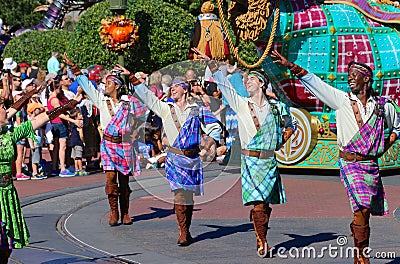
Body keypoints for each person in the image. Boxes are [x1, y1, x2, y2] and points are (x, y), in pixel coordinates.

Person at [271, 50, 400, 264]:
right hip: (350, 164)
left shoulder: (382, 106)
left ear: (366, 79)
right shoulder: (342, 100)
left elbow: (396, 126)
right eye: (348, 75)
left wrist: (384, 146)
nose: (349, 78)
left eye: (354, 75)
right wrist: (290, 66)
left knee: (365, 212)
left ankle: (359, 242)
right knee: (361, 208)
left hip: (370, 165)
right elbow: (316, 83)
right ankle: (361, 257)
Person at [193, 47, 296, 257]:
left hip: (269, 162)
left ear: (261, 83)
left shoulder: (276, 107)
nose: (247, 82)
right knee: (258, 203)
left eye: (251, 80)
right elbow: (225, 85)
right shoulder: (241, 104)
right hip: (250, 161)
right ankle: (262, 240)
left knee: (265, 204)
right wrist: (212, 65)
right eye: (246, 80)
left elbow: (291, 125)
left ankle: (262, 231)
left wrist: (280, 141)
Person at [129, 66, 222, 246]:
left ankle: (187, 229)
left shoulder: (196, 109)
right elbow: (148, 97)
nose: (173, 88)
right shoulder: (165, 108)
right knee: (179, 195)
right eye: (171, 86)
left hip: (192, 158)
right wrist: (133, 78)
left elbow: (215, 126)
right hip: (175, 157)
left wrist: (209, 141)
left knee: (188, 197)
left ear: (185, 89)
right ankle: (182, 232)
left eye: (177, 86)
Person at [62, 53, 148, 226]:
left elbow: (145, 104)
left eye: (108, 83)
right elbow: (87, 86)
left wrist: (130, 76)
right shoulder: (101, 100)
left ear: (116, 86)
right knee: (110, 179)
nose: (105, 86)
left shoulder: (127, 102)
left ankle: (125, 212)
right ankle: (113, 211)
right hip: (108, 144)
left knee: (124, 180)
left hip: (124, 144)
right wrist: (75, 68)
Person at [0, 85, 80, 263]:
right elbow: (13, 109)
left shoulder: (9, 135)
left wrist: (68, 106)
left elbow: (41, 119)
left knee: (7, 244)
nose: (6, 111)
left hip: (7, 192)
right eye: (2, 108)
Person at [27, 98, 47, 180]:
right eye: (37, 109)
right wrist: (31, 144)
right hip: (34, 142)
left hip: (38, 142)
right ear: (33, 110)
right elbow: (29, 133)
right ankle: (35, 173)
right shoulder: (31, 120)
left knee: (38, 157)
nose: (40, 110)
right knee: (35, 159)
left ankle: (37, 171)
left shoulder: (37, 119)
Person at [68, 108, 88, 176]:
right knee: (79, 157)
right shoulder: (79, 123)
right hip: (78, 141)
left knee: (75, 157)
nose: (81, 115)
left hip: (73, 141)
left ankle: (76, 169)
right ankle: (80, 169)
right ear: (76, 117)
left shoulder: (72, 124)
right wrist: (83, 141)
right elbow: (81, 134)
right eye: (79, 114)